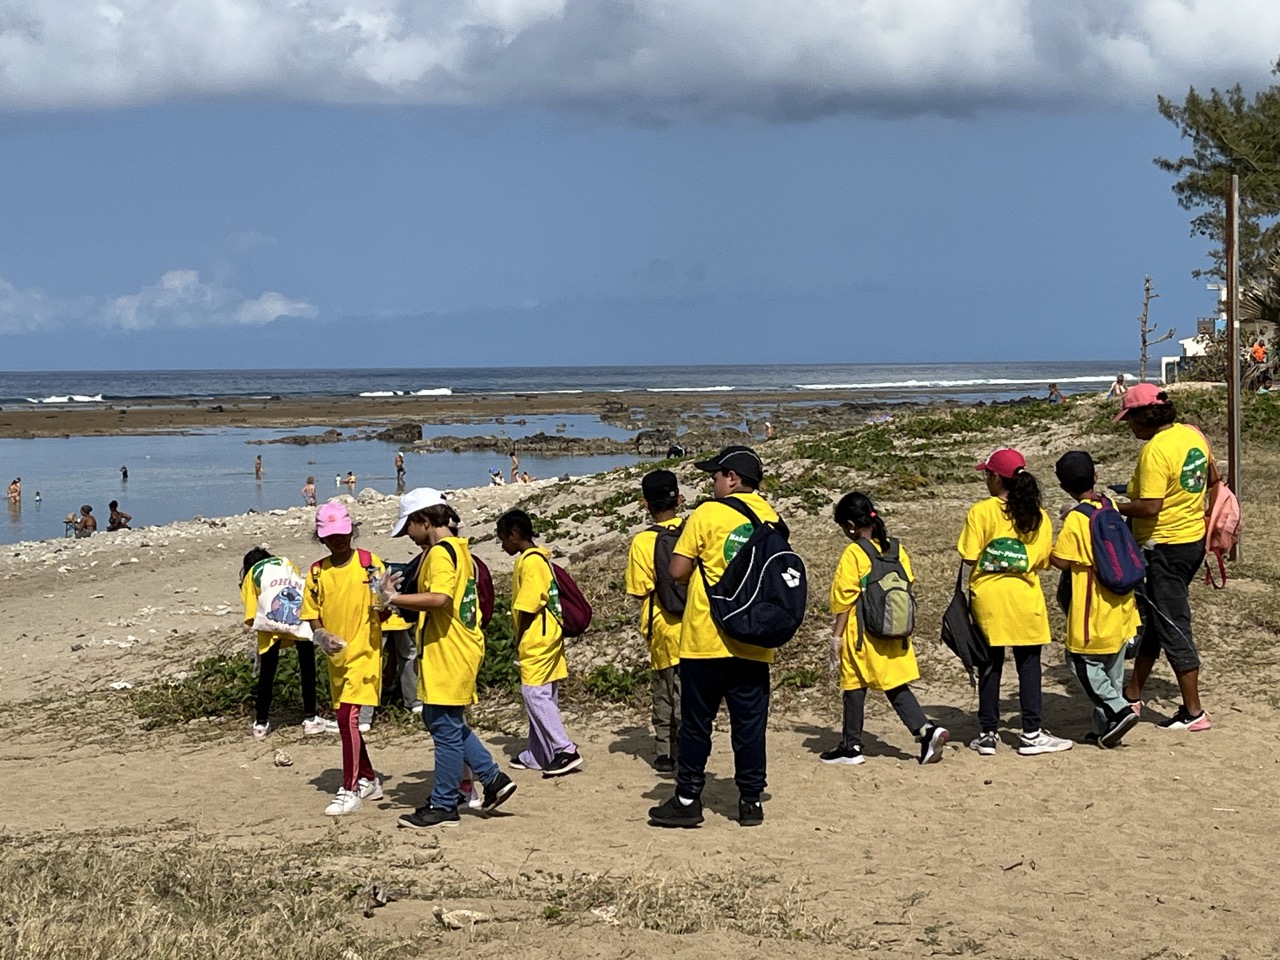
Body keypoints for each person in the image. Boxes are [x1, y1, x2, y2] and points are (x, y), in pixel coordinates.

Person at [648, 445, 777, 829]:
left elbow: (677, 570)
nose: (713, 482)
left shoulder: (706, 514)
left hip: (706, 637)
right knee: (749, 725)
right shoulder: (770, 517)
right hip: (754, 637)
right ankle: (750, 801)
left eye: (716, 476)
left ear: (732, 478)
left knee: (696, 724)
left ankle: (688, 797)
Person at [386, 488, 517, 828]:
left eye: (408, 529)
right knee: (443, 721)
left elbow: (441, 598)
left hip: (450, 650)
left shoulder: (441, 555)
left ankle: (444, 803)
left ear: (424, 521)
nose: (408, 537)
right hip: (456, 646)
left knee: (443, 728)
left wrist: (395, 598)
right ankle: (493, 779)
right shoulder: (459, 549)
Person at [820, 491, 949, 767]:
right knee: (894, 684)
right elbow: (908, 583)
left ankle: (854, 745)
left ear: (852, 526)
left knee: (854, 682)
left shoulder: (854, 552)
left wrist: (836, 636)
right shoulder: (895, 548)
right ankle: (921, 732)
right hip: (894, 629)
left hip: (863, 632)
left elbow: (844, 599)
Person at [1113, 383, 1213, 731]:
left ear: (1144, 417)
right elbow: (1211, 477)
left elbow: (1151, 506)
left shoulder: (1155, 451)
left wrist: (1113, 506)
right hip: (1192, 541)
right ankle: (1133, 690)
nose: (1129, 427)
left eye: (1130, 420)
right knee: (1156, 619)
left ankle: (1194, 711)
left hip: (1164, 547)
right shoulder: (1192, 436)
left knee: (1172, 623)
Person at [960, 448, 1072, 757]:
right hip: (1025, 599)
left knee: (990, 665)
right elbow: (1045, 560)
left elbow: (969, 556)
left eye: (987, 475)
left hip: (989, 599)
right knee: (1029, 665)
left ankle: (987, 733)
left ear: (996, 478)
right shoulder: (1038, 516)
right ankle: (1032, 732)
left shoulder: (981, 512)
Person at [1049, 452, 1143, 748]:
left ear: (1064, 486)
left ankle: (1119, 709)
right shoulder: (1109, 504)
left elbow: (1062, 561)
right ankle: (1105, 728)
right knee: (1113, 666)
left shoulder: (1077, 519)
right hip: (1122, 603)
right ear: (1096, 477)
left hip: (1092, 606)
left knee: (1081, 663)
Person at [301, 502, 387, 816]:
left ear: (352, 531)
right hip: (336, 658)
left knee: (348, 718)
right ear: (321, 538)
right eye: (330, 535)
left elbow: (384, 603)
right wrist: (321, 635)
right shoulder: (316, 571)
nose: (338, 539)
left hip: (365, 653)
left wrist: (387, 598)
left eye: (342, 533)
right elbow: (312, 615)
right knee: (344, 720)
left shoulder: (368, 563)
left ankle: (349, 789)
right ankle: (368, 777)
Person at [495, 508, 583, 776]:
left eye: (502, 539)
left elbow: (530, 604)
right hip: (550, 634)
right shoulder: (539, 559)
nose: (501, 545)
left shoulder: (531, 562)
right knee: (546, 693)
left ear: (514, 535)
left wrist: (519, 636)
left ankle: (565, 748)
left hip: (538, 637)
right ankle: (538, 752)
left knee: (534, 693)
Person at [239, 547, 337, 740]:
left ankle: (260, 724)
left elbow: (250, 607)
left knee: (267, 671)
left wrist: (257, 624)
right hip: (298, 615)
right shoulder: (284, 562)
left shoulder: (252, 573)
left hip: (271, 618)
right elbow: (298, 583)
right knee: (307, 665)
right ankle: (310, 718)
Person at [625, 470, 685, 773]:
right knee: (688, 695)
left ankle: (665, 751)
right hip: (695, 626)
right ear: (679, 498)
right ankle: (690, 749)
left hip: (662, 628)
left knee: (664, 693)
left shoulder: (643, 541)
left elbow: (639, 590)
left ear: (645, 503)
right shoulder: (693, 531)